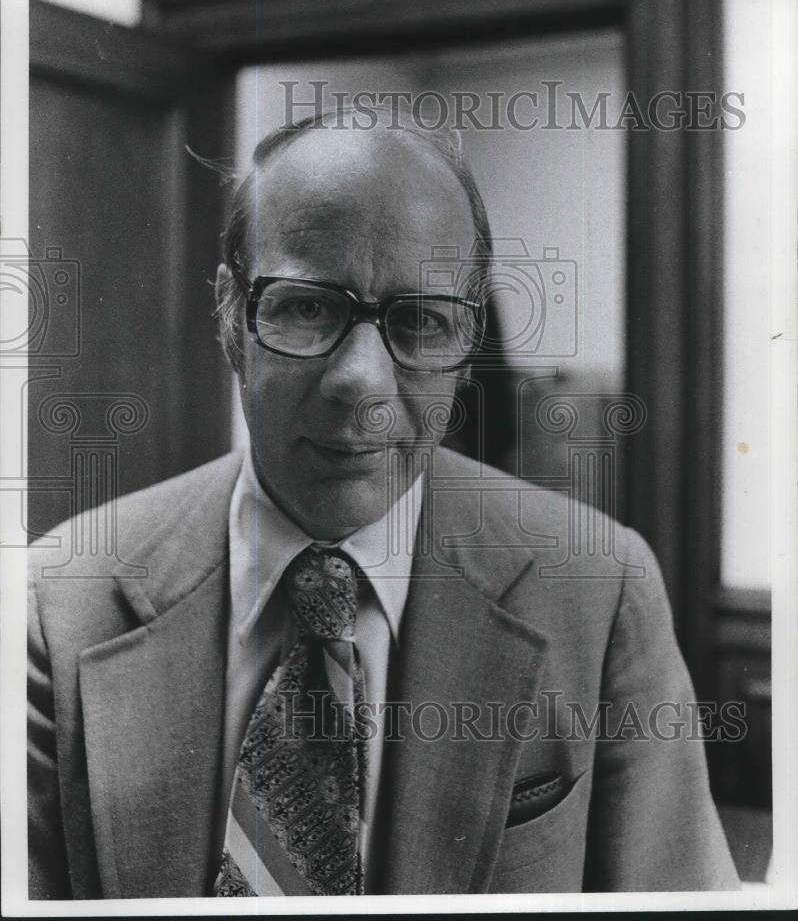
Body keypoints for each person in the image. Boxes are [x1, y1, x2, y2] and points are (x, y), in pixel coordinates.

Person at [27, 107, 739, 898]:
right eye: (306, 306)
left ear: (467, 349)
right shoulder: (61, 599)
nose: (360, 384)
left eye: (422, 321)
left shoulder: (601, 589)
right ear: (232, 316)